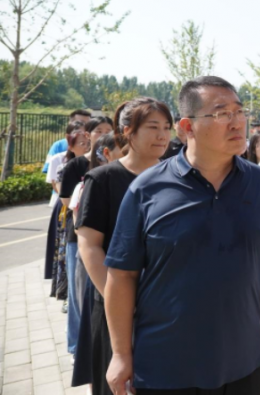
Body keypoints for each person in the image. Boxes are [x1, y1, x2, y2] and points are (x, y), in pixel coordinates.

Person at [103, 77, 260, 395]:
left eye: (239, 111)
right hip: (167, 365)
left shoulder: (258, 182)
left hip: (242, 358)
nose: (237, 122)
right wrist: (120, 354)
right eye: (222, 113)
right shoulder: (147, 189)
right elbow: (121, 275)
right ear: (187, 127)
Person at [76, 98, 173, 395]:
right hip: (115, 305)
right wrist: (120, 301)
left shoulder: (176, 177)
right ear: (128, 131)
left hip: (166, 305)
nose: (162, 136)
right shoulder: (102, 179)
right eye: (153, 127)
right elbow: (90, 246)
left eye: (167, 127)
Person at [71, 133, 126, 388]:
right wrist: (114, 296)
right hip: (108, 285)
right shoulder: (98, 181)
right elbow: (86, 240)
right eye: (124, 150)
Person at [60, 117, 109, 356]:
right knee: (77, 292)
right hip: (78, 236)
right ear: (88, 135)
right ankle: (75, 347)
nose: (104, 134)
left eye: (109, 130)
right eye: (99, 130)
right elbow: (66, 201)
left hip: (106, 236)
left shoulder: (114, 162)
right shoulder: (76, 165)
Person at [45, 120, 87, 298]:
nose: (86, 145)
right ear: (70, 143)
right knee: (67, 253)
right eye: (81, 142)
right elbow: (58, 188)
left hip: (81, 210)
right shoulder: (62, 162)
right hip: (67, 211)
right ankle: (66, 293)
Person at [43, 109, 91, 174]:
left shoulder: (94, 145)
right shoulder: (58, 145)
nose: (85, 126)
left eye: (88, 124)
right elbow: (51, 171)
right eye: (80, 122)